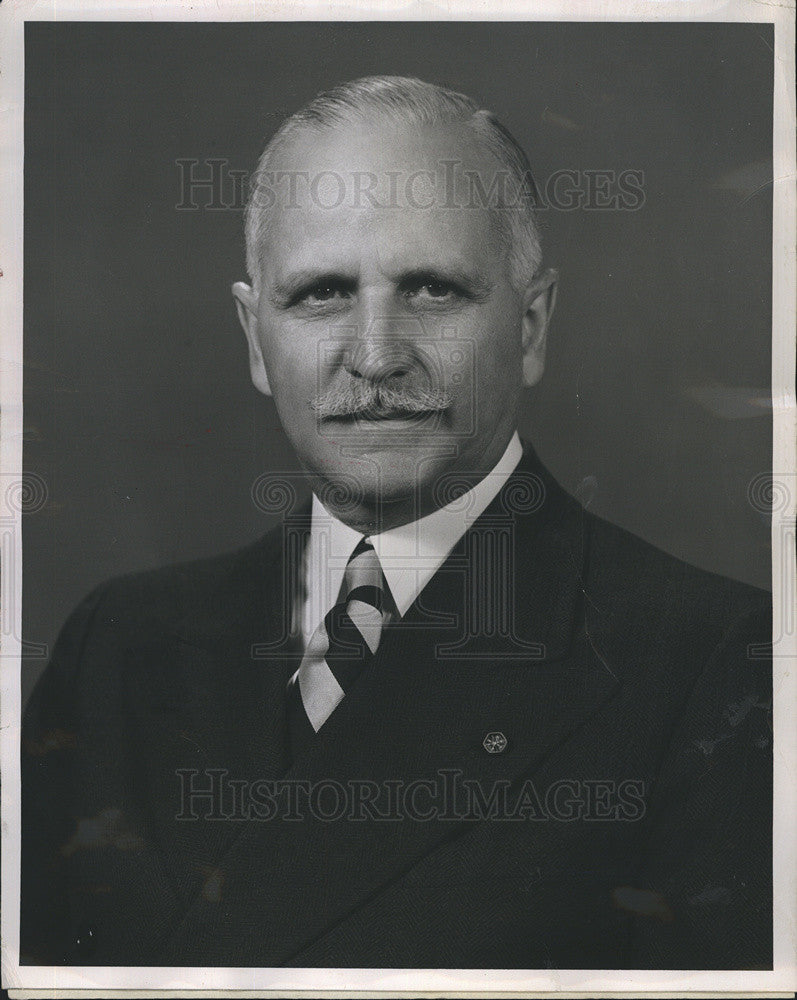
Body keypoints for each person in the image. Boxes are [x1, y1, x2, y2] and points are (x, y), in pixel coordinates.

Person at [21, 76, 772, 970]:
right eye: (320, 294)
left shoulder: (715, 663)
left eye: (432, 291)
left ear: (530, 325)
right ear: (255, 340)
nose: (375, 357)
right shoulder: (120, 646)